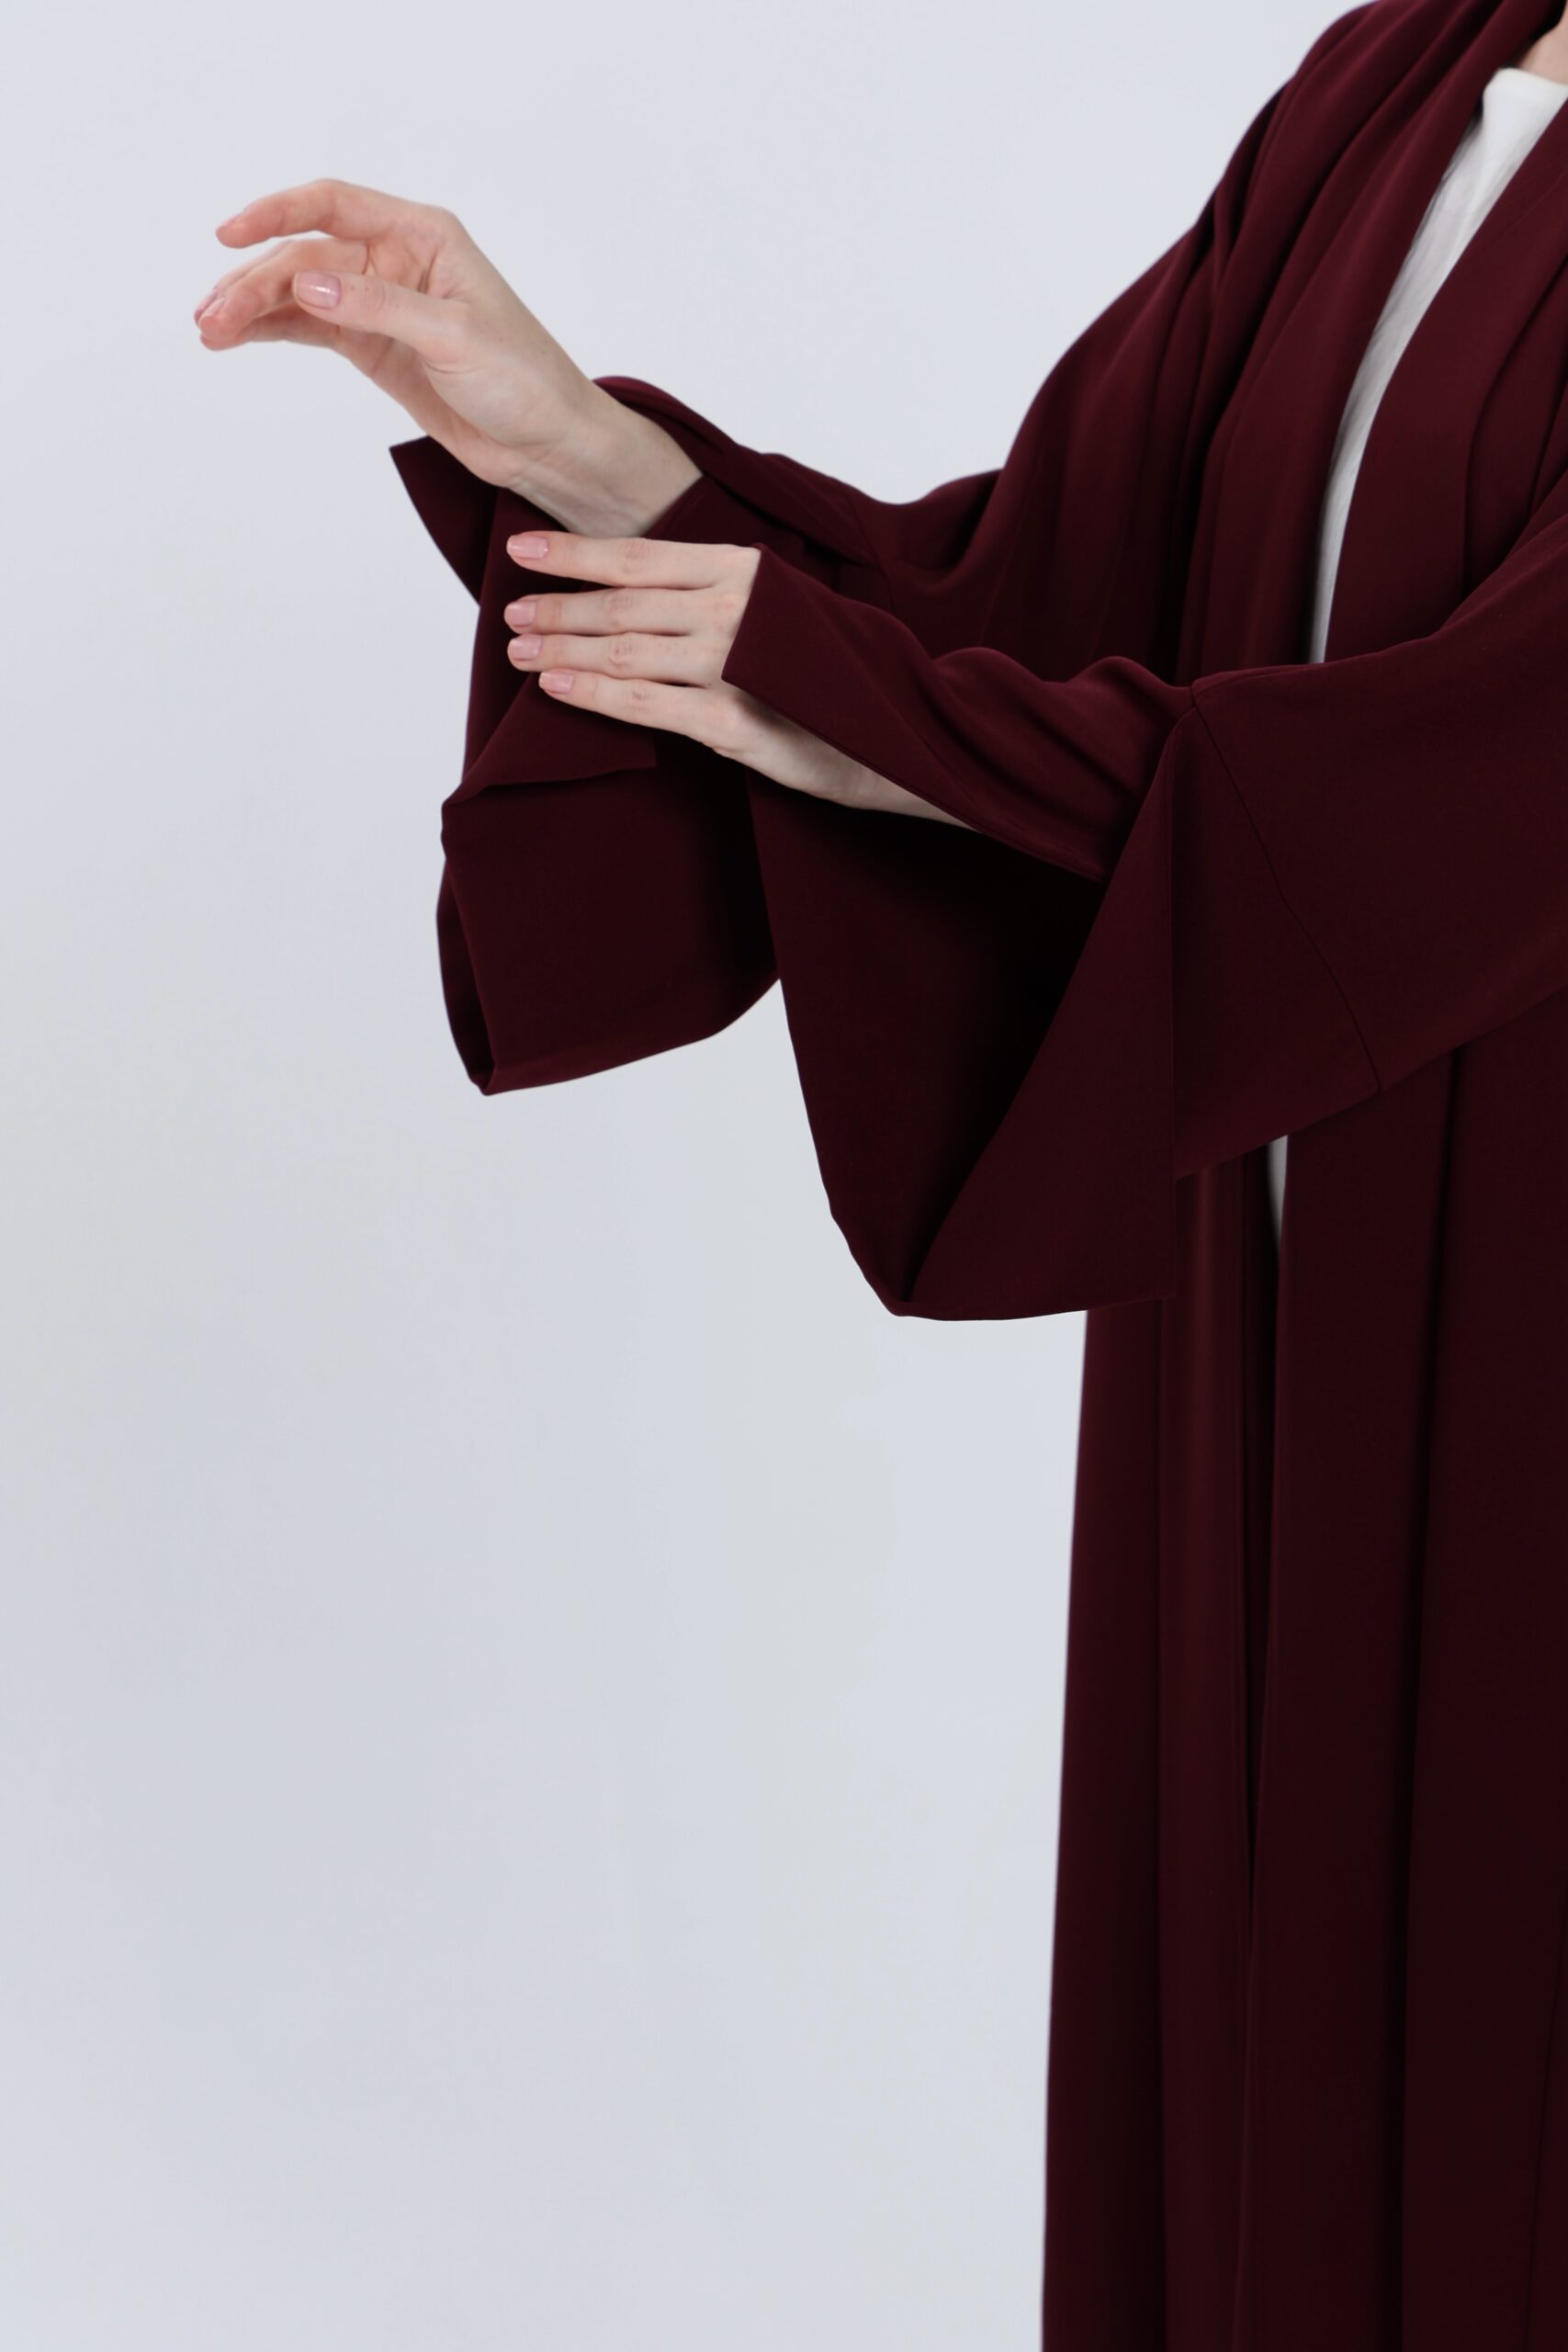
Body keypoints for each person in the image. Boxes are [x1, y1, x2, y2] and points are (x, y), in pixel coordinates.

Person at [194, 0, 1568, 2340]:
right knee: (1261, 2060)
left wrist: (867, 717)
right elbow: (1052, 598)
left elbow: (1484, 779)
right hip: (1272, 1311)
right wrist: (583, 449)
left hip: (1525, 1308)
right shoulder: (1400, 79)